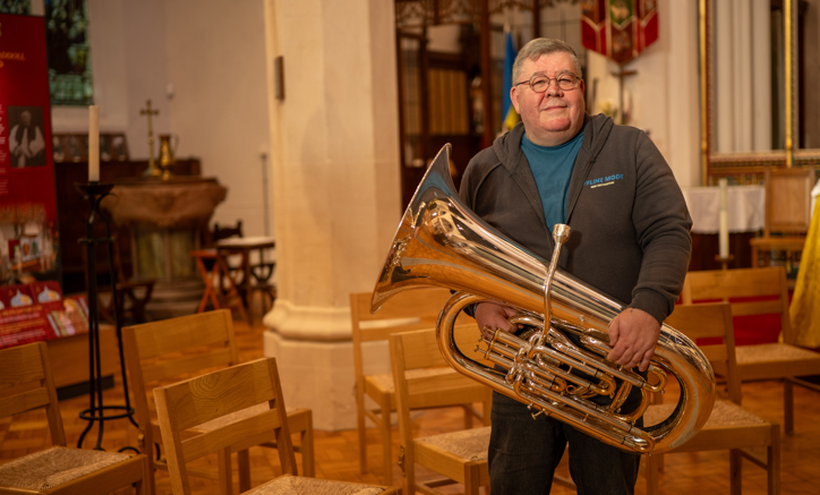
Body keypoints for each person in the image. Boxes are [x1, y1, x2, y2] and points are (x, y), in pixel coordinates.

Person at [458, 38, 692, 494]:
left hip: (612, 364)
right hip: (521, 369)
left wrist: (649, 307)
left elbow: (669, 229)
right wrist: (478, 305)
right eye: (538, 81)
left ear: (582, 89)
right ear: (516, 98)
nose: (553, 90)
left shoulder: (630, 148)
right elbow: (461, 257)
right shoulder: (483, 169)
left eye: (565, 79)